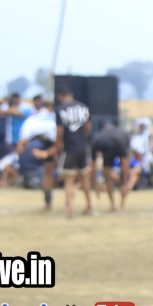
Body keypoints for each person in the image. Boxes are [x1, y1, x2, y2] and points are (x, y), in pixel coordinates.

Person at [54, 88, 94, 218]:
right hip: (82, 147)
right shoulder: (83, 107)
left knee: (68, 180)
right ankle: (89, 206)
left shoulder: (60, 109)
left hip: (69, 148)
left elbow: (60, 132)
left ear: (60, 96)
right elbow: (89, 127)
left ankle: (70, 209)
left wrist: (58, 147)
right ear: (71, 94)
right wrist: (83, 138)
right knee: (84, 179)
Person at [17, 95, 59, 209]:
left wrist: (19, 160)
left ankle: (48, 202)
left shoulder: (31, 119)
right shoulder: (53, 119)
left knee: (47, 174)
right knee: (52, 174)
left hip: (31, 151)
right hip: (48, 148)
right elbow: (58, 142)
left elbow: (21, 143)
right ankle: (58, 202)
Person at [91, 123, 138, 211]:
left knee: (124, 180)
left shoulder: (121, 141)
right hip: (108, 147)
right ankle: (112, 204)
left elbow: (125, 163)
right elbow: (93, 166)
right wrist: (95, 184)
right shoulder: (96, 142)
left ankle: (122, 204)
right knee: (107, 174)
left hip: (120, 145)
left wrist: (125, 183)